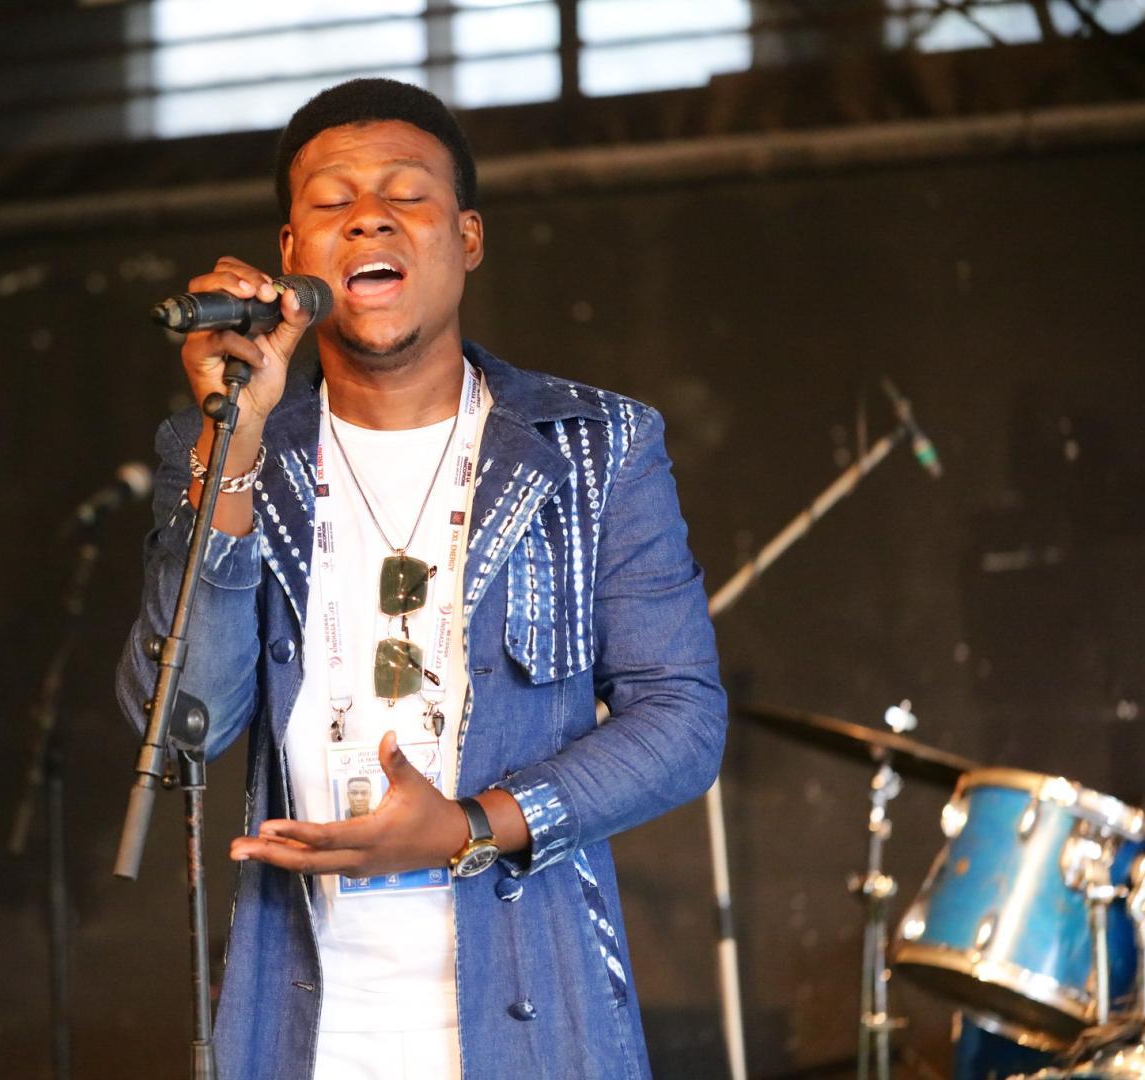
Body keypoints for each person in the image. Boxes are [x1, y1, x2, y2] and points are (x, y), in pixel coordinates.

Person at [117, 77, 726, 1080]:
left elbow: (683, 719)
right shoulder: (225, 447)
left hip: (540, 1020)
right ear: (290, 255)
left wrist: (470, 826)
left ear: (468, 236)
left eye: (405, 193)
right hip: (301, 1032)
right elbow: (186, 724)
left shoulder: (595, 446)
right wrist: (236, 445)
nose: (368, 216)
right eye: (333, 201)